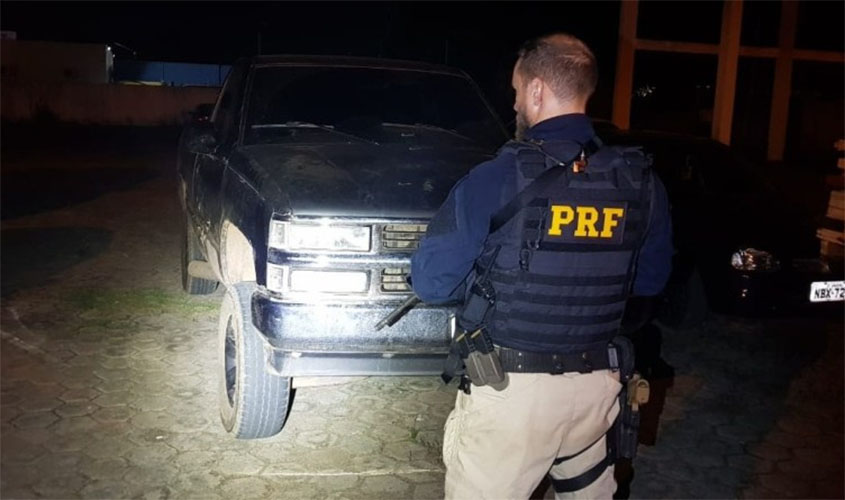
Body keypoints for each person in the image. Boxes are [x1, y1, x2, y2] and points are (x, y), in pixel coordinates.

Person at [410, 33, 673, 499]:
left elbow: (431, 283)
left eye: (516, 91)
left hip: (513, 394)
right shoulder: (641, 182)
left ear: (536, 91)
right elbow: (650, 283)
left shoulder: (494, 177)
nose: (514, 103)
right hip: (597, 391)